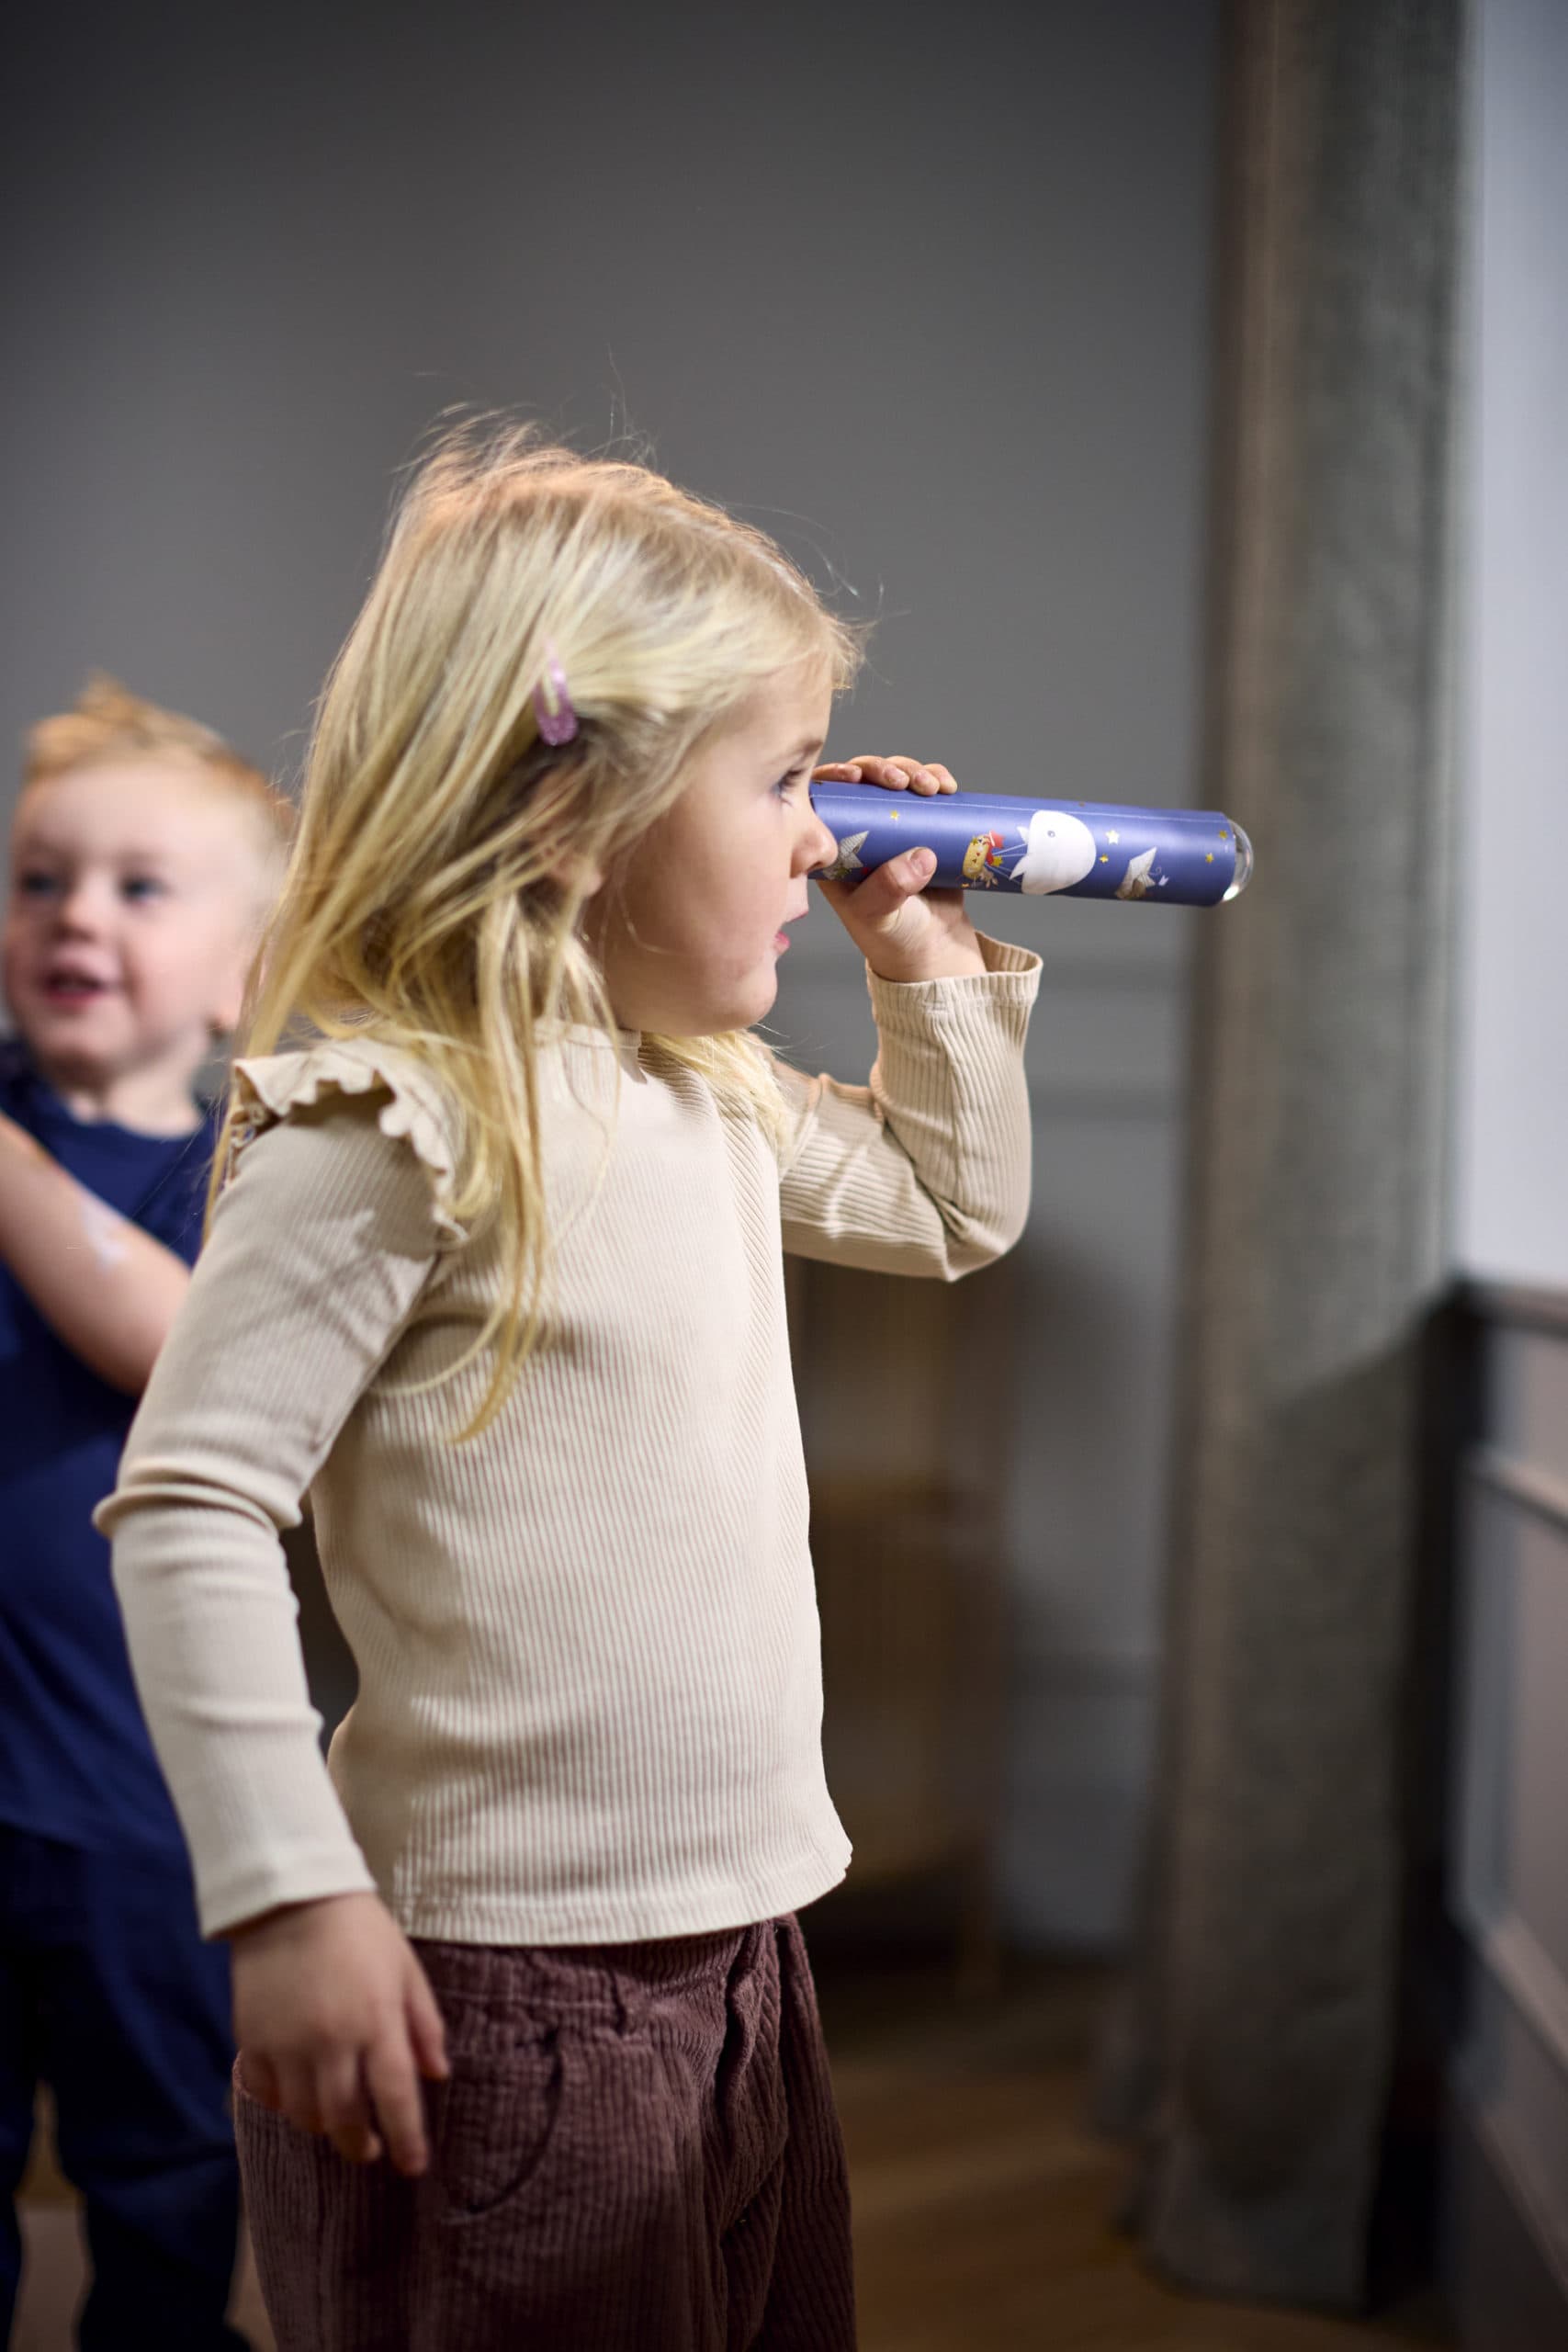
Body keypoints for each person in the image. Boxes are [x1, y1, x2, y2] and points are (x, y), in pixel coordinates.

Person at [97, 428, 1041, 2352]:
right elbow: (189, 1506)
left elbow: (956, 1207)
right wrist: (289, 1898)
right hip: (499, 1984)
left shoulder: (704, 1085)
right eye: (779, 778)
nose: (822, 835)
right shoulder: (394, 1119)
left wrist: (922, 959)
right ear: (571, 811)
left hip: (742, 1941)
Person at [0, 676, 291, 2347]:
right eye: (40, 880)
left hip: (144, 1797)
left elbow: (171, 1341)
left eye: (137, 886)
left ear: (243, 970)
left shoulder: (242, 1170)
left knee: (169, 2162)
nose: (74, 916)